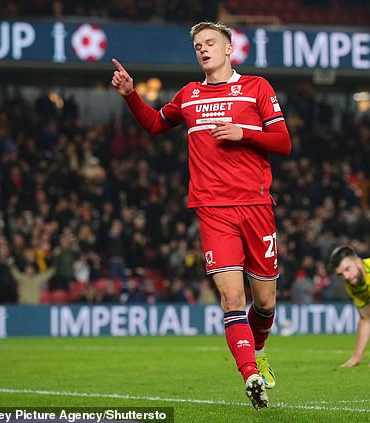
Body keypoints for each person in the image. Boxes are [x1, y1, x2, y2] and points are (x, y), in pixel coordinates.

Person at [111, 21, 291, 410]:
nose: (203, 49)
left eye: (210, 43)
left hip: (257, 207)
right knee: (231, 297)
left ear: (229, 49)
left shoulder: (257, 87)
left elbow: (283, 142)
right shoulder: (189, 95)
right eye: (197, 45)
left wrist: (244, 133)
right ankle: (251, 376)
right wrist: (131, 96)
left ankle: (257, 350)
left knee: (265, 304)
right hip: (212, 209)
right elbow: (157, 123)